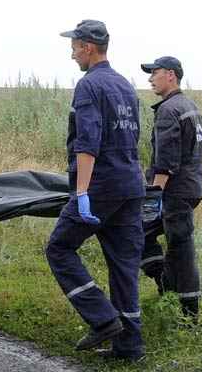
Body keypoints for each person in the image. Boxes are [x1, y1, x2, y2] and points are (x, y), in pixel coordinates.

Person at [45, 20, 146, 362]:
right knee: (124, 266)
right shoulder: (125, 86)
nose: (71, 53)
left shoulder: (89, 85)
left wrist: (83, 192)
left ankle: (103, 320)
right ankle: (129, 348)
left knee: (59, 248)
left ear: (87, 46)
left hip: (101, 186)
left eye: (74, 46)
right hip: (131, 186)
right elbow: (132, 138)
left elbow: (88, 143)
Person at [140, 56, 202, 323]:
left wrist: (151, 202)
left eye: (154, 73)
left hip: (174, 191)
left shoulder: (169, 110)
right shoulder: (189, 105)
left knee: (178, 246)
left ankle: (187, 313)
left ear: (170, 75)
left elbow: (166, 164)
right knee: (172, 242)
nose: (150, 79)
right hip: (192, 187)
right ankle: (166, 287)